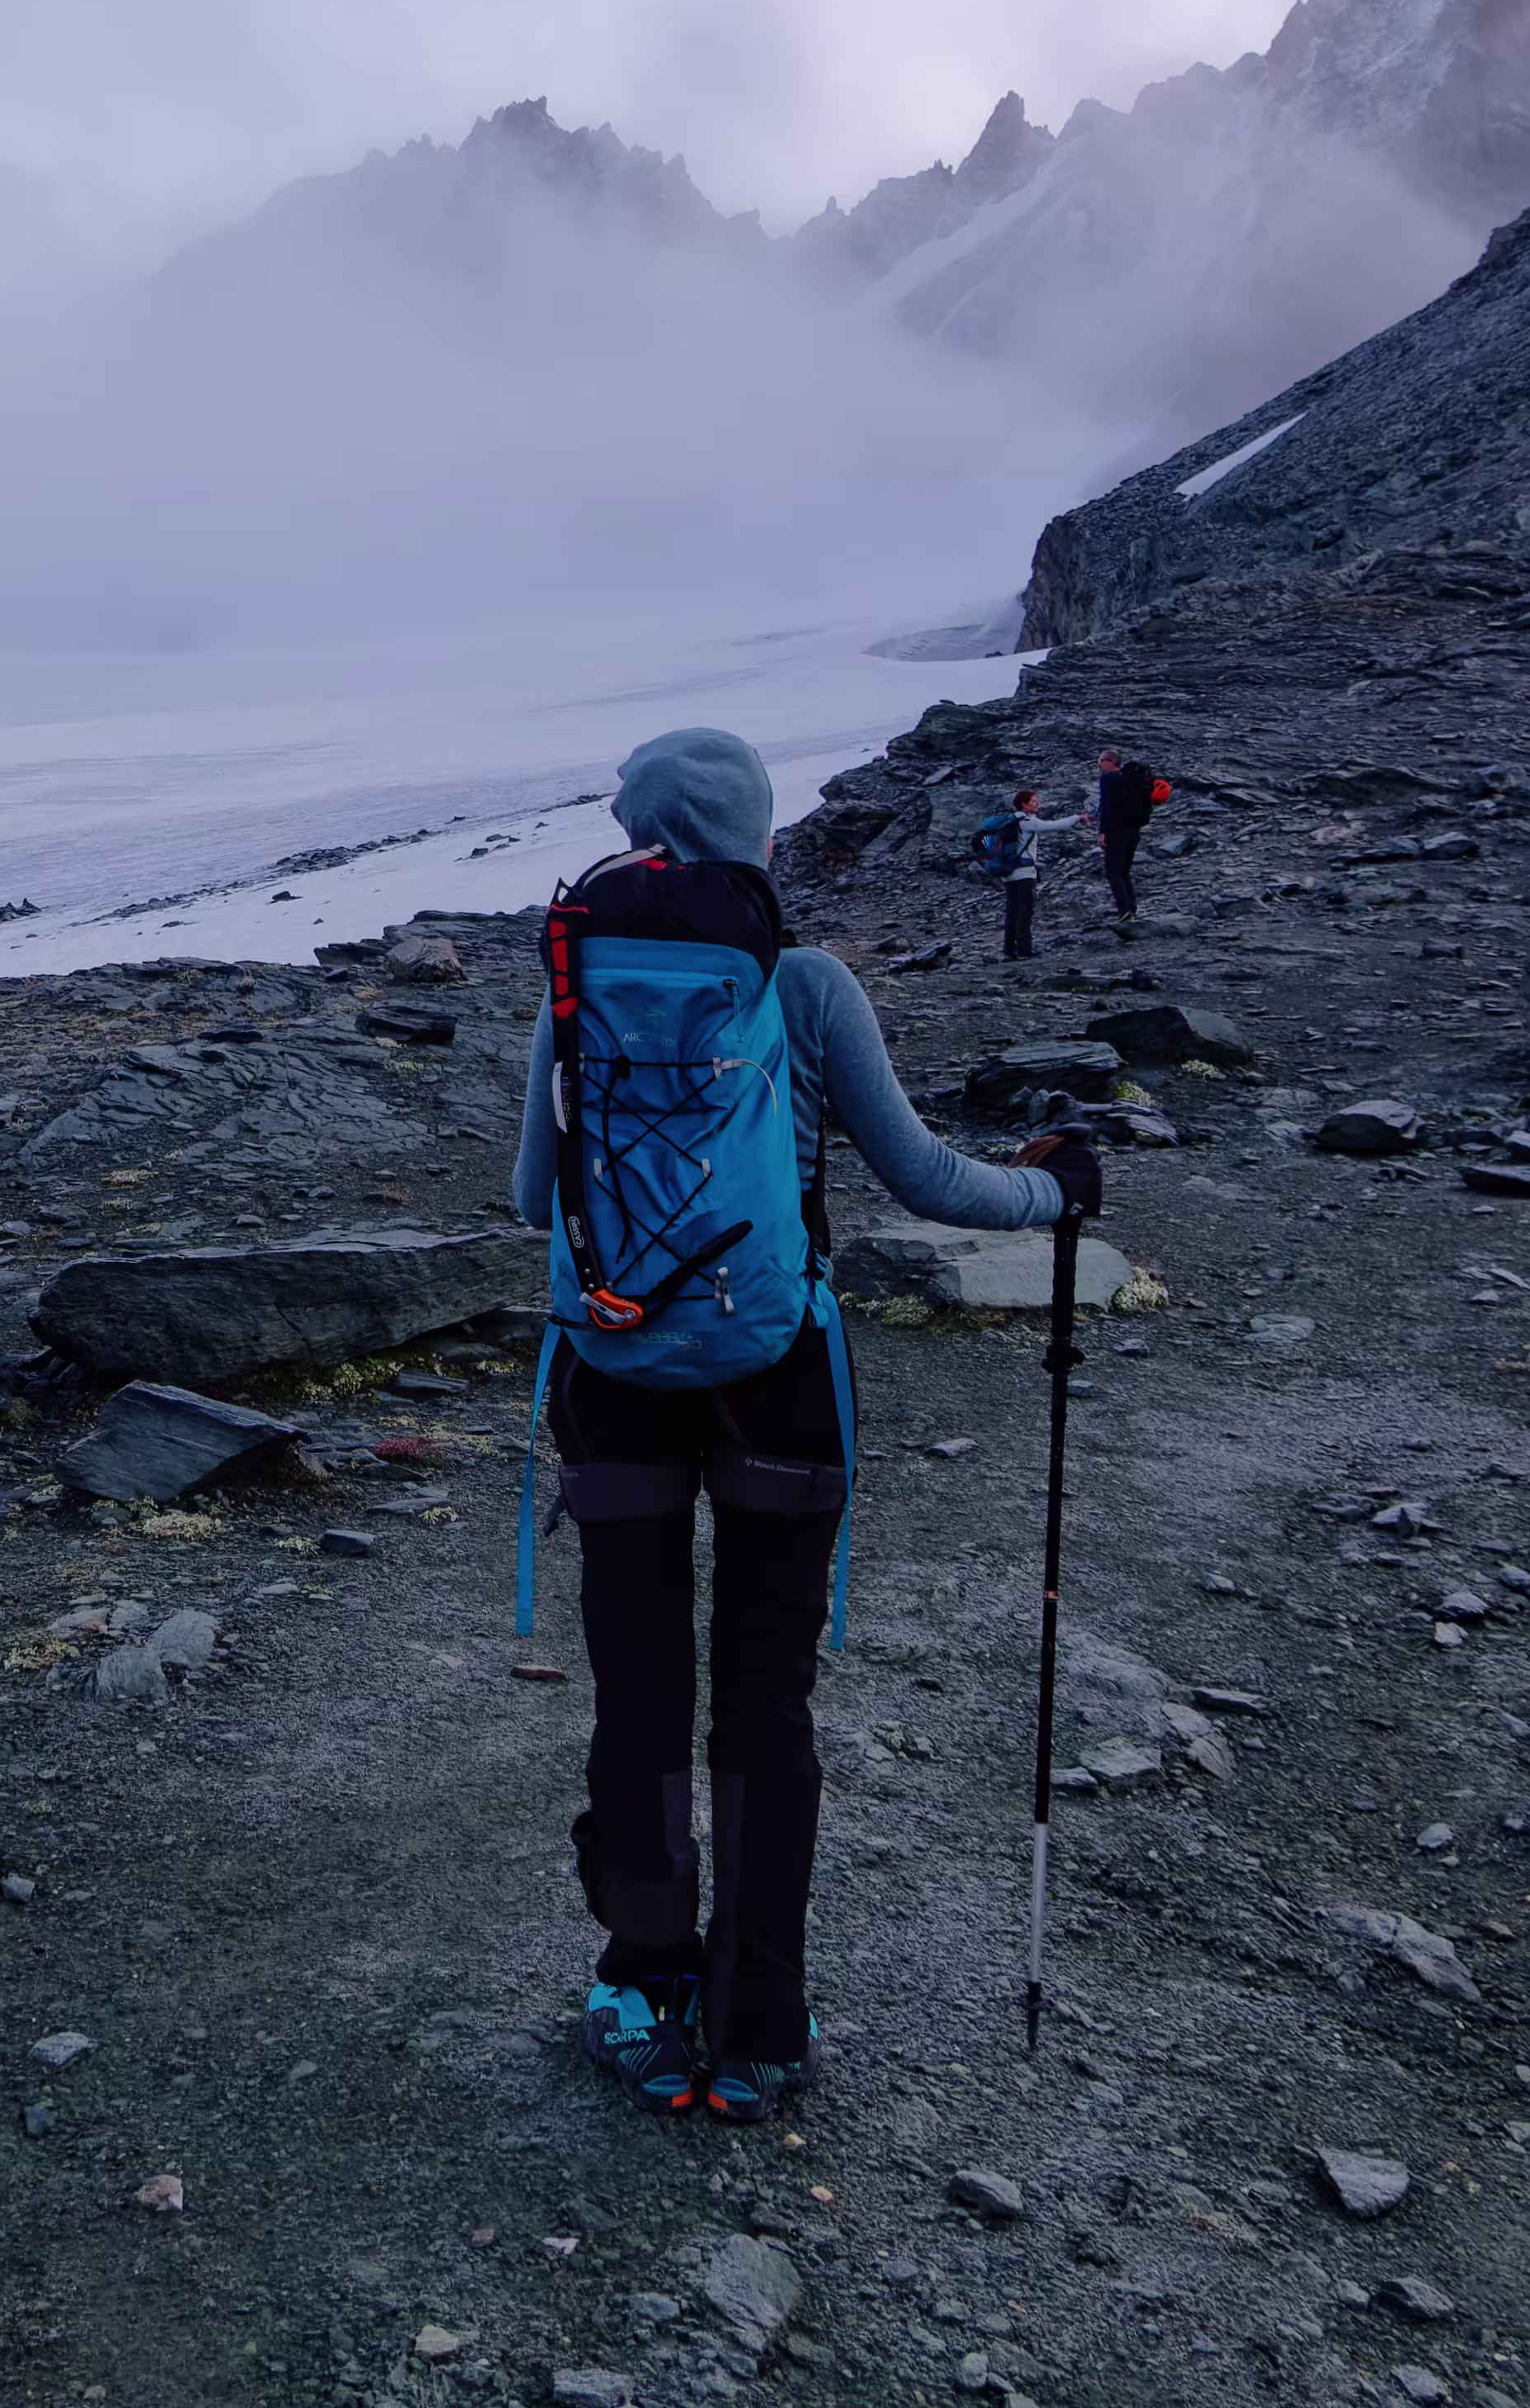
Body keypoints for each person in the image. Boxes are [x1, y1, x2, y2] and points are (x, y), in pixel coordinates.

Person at [516, 727, 1102, 2122]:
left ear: (642, 826)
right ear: (755, 834)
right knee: (764, 1698)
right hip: (778, 1372)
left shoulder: (570, 979)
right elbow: (925, 1177)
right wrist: (1058, 1192)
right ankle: (760, 2020)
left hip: (609, 1375)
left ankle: (642, 1985)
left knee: (640, 1691)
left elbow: (536, 1200)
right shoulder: (806, 982)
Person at [971, 785, 1080, 959]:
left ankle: (1009, 950)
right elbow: (1055, 826)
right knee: (1025, 911)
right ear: (1024, 804)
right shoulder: (1027, 822)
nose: (1038, 805)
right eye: (1034, 802)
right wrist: (1077, 817)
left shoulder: (1008, 822)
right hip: (1024, 873)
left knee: (1012, 911)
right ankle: (1024, 949)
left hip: (1008, 873)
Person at [1090, 747, 1168, 926]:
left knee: (1113, 873)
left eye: (1101, 761)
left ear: (1112, 762)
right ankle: (1132, 910)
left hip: (1116, 831)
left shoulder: (1109, 779)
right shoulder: (1134, 779)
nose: (1100, 764)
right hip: (1134, 830)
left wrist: (1103, 832)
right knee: (1125, 872)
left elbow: (1106, 806)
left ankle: (1125, 913)